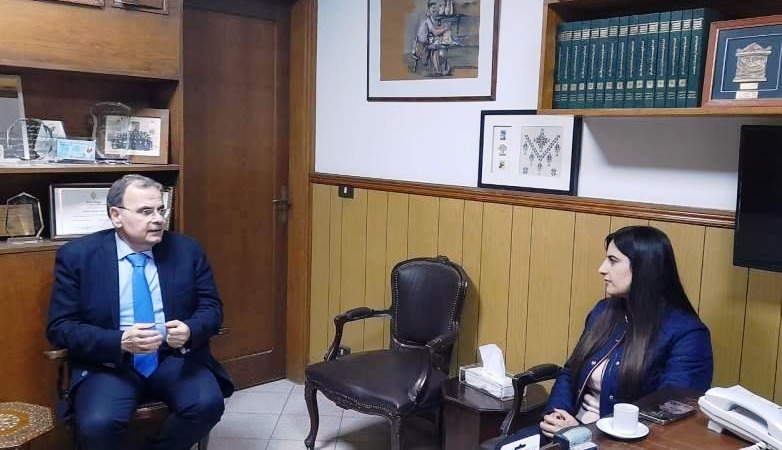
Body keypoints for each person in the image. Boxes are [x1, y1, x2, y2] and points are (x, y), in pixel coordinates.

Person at [47, 174, 234, 450]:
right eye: (146, 211)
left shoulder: (187, 250)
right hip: (110, 363)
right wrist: (119, 341)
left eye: (161, 210)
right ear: (116, 216)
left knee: (207, 404)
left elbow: (211, 308)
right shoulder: (79, 257)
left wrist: (190, 330)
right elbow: (60, 327)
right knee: (98, 423)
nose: (158, 219)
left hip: (172, 357)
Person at [497, 226, 713, 447]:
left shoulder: (688, 334)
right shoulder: (603, 311)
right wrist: (556, 415)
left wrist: (581, 433)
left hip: (615, 443)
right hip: (566, 432)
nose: (602, 269)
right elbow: (570, 372)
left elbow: (668, 416)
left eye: (613, 260)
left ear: (644, 268)